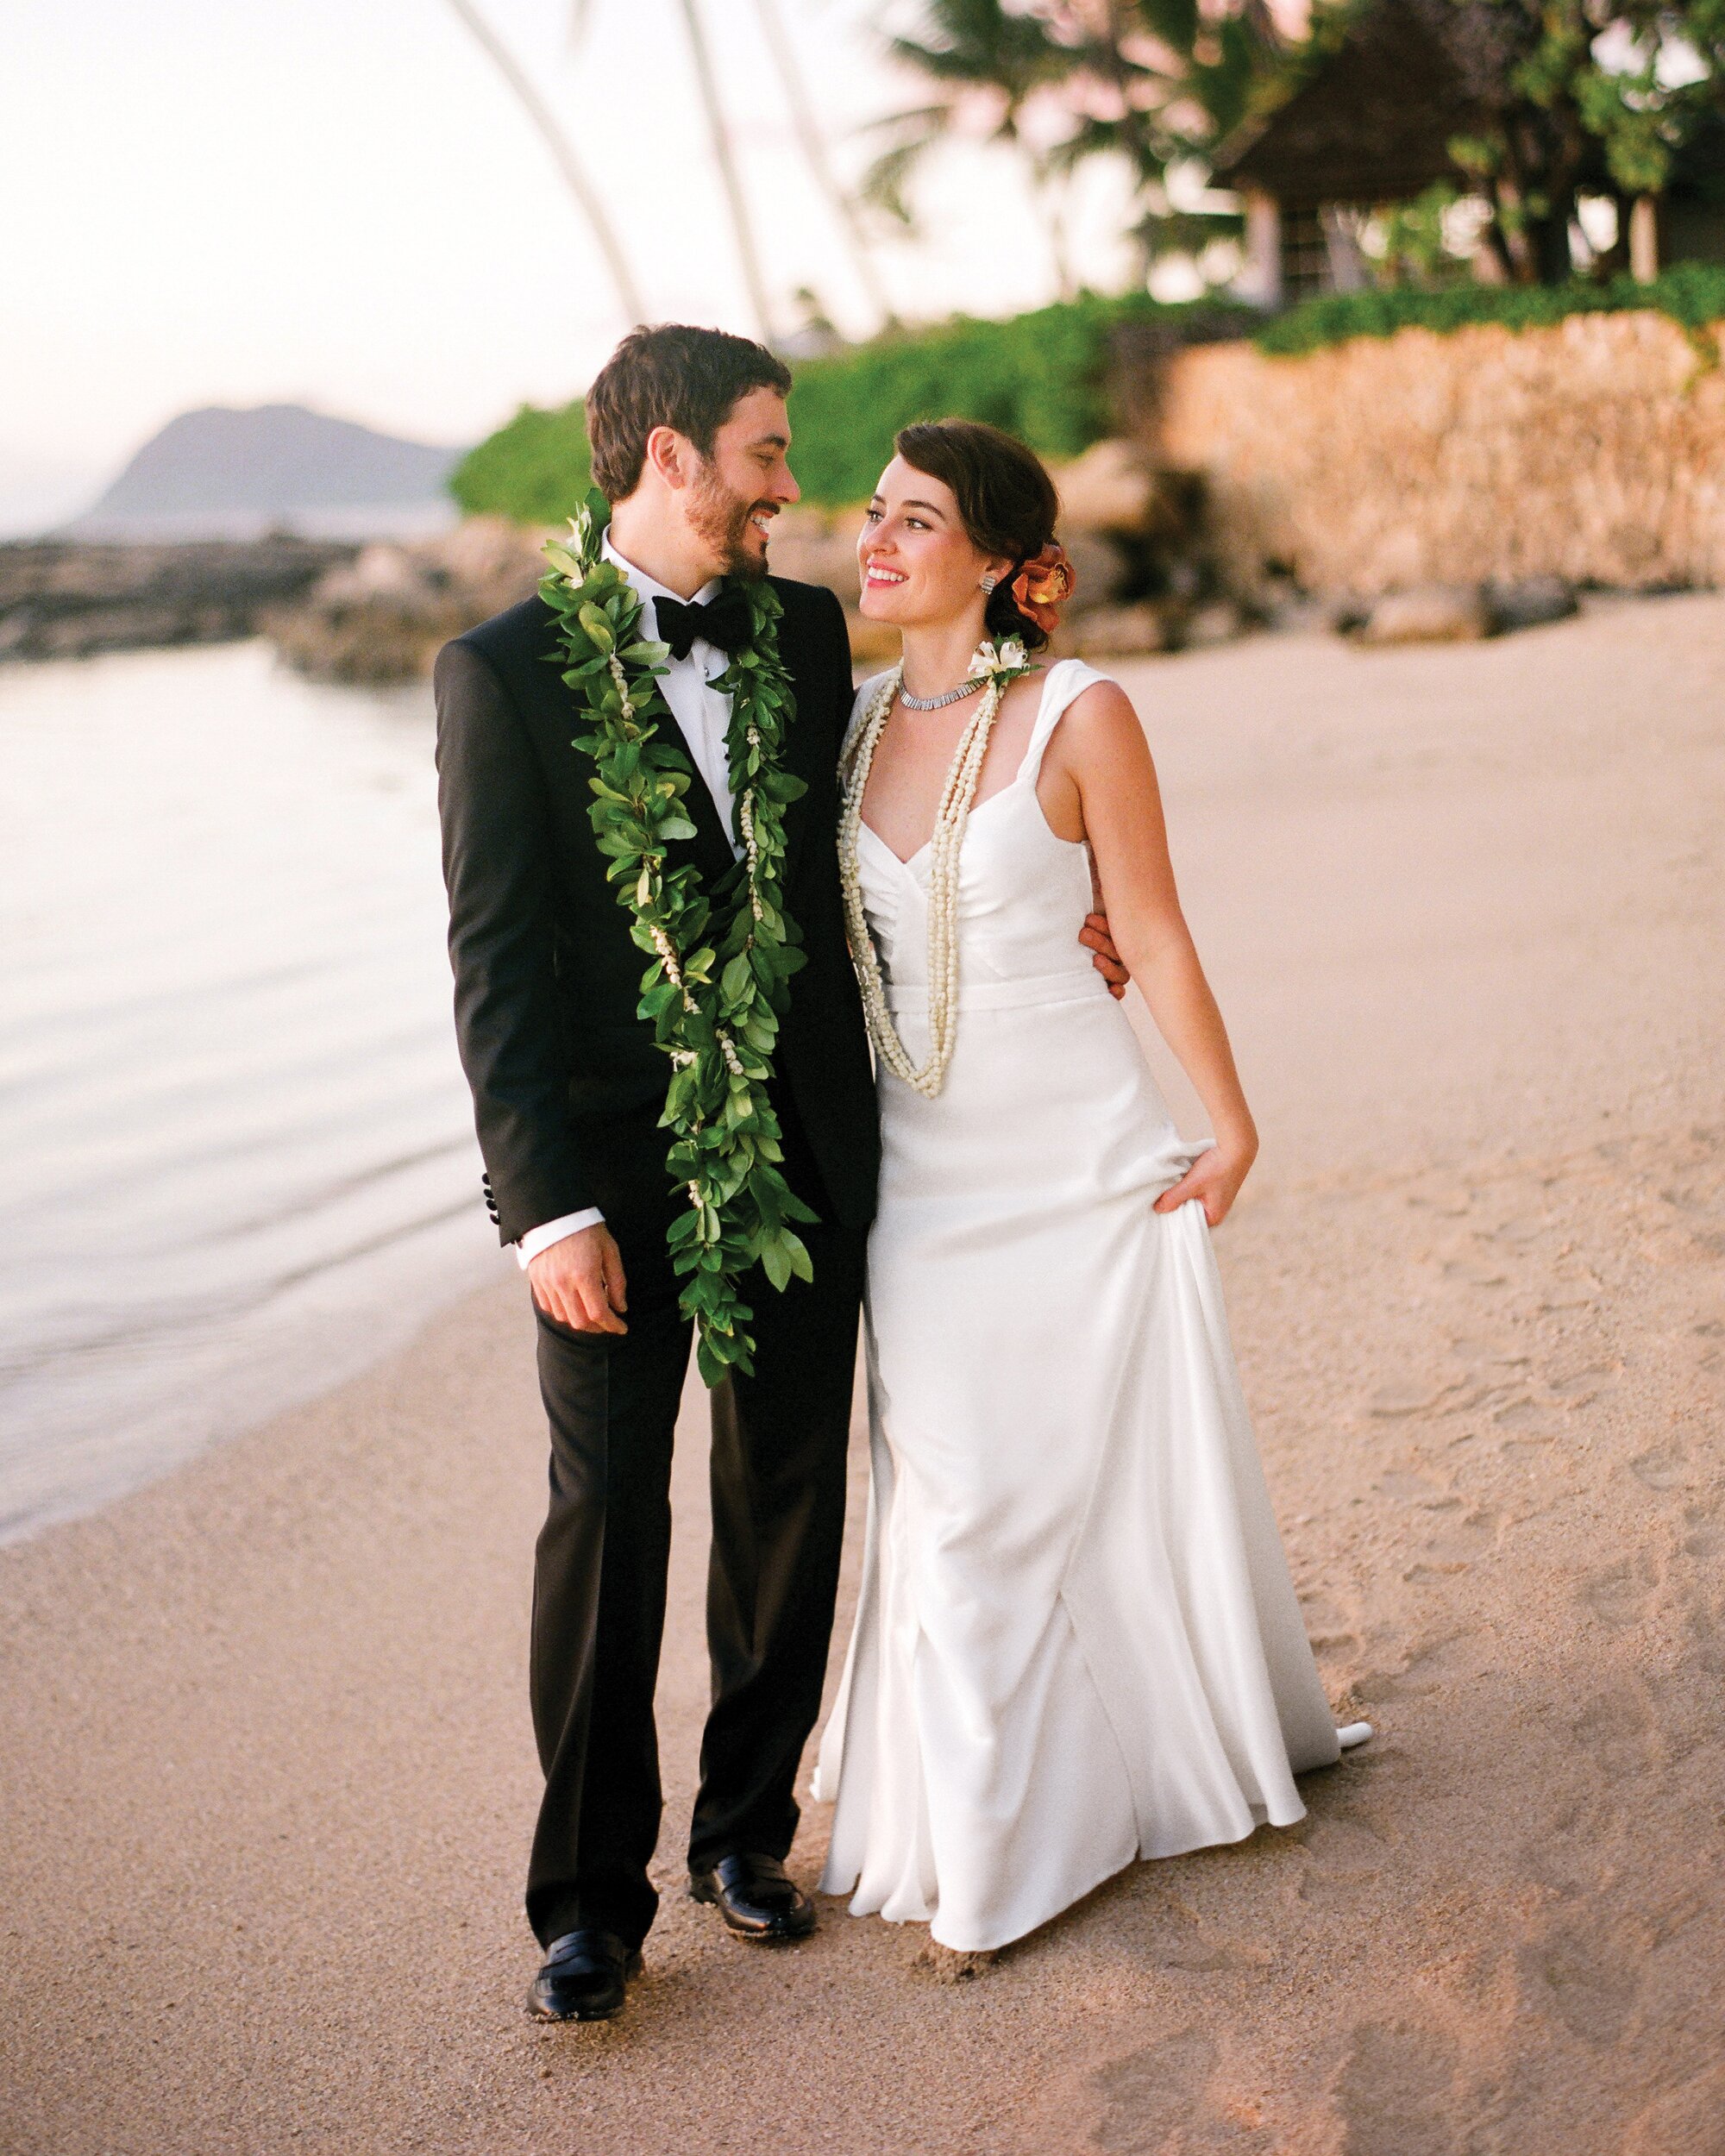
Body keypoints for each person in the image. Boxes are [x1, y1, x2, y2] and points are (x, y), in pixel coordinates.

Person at [435, 329, 1125, 2021]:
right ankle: (587, 1899)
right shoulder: (502, 669)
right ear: (669, 458)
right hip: (607, 1173)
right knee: (606, 1512)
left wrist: (1068, 904)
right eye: (760, 451)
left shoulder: (810, 634)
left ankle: (744, 1833)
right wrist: (546, 1208)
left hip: (806, 1153)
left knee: (786, 1495)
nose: (786, 484)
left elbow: (929, 795)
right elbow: (494, 958)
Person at [812, 419, 1369, 1960]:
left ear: (996, 560)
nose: (876, 542)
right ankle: (1000, 1827)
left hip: (1079, 1161)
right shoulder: (843, 727)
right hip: (919, 1187)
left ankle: (1054, 1829)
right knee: (964, 1498)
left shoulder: (1083, 710)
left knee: (1091, 1483)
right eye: (872, 513)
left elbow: (1157, 930)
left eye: (914, 522)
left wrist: (1230, 1123)